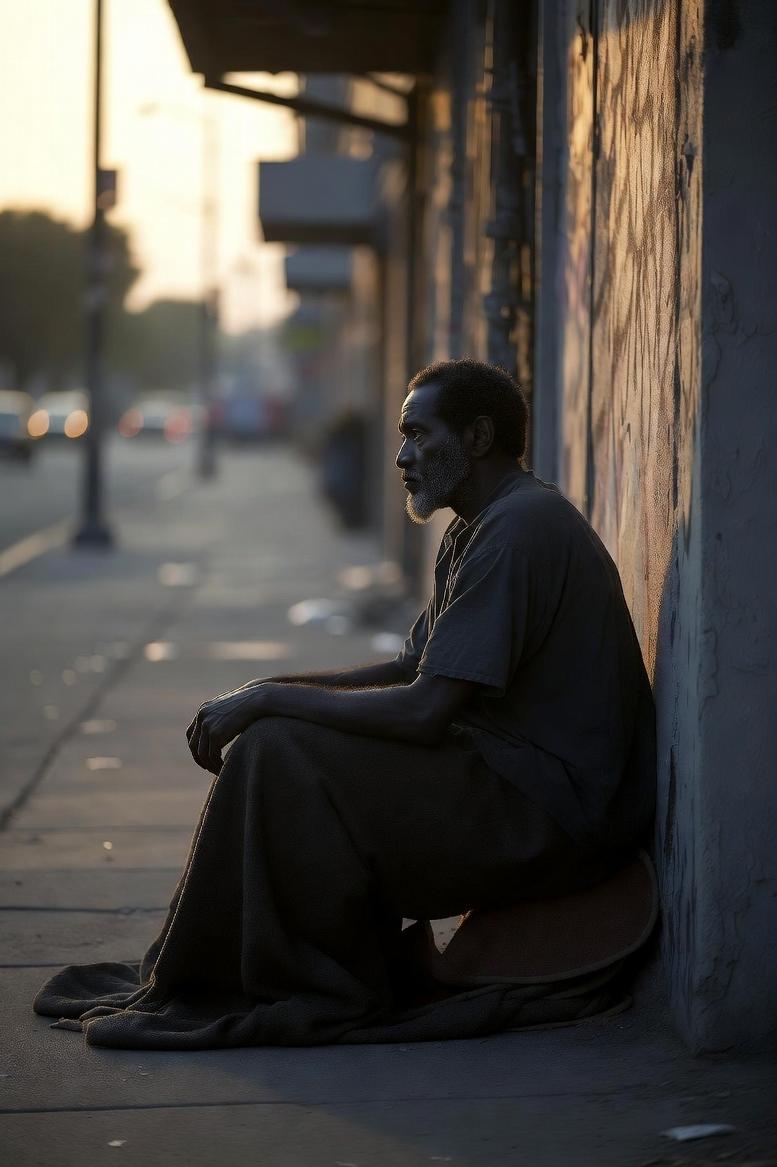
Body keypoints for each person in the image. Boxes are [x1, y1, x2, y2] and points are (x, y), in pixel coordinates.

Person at [34, 358, 656, 1050]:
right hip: (507, 778)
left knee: (281, 751)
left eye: (419, 435)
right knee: (277, 737)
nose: (401, 455)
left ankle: (315, 977)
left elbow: (423, 711)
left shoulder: (520, 528)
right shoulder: (478, 524)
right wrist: (265, 692)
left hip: (557, 818)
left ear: (477, 437)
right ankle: (245, 960)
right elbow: (410, 664)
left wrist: (273, 702)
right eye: (402, 436)